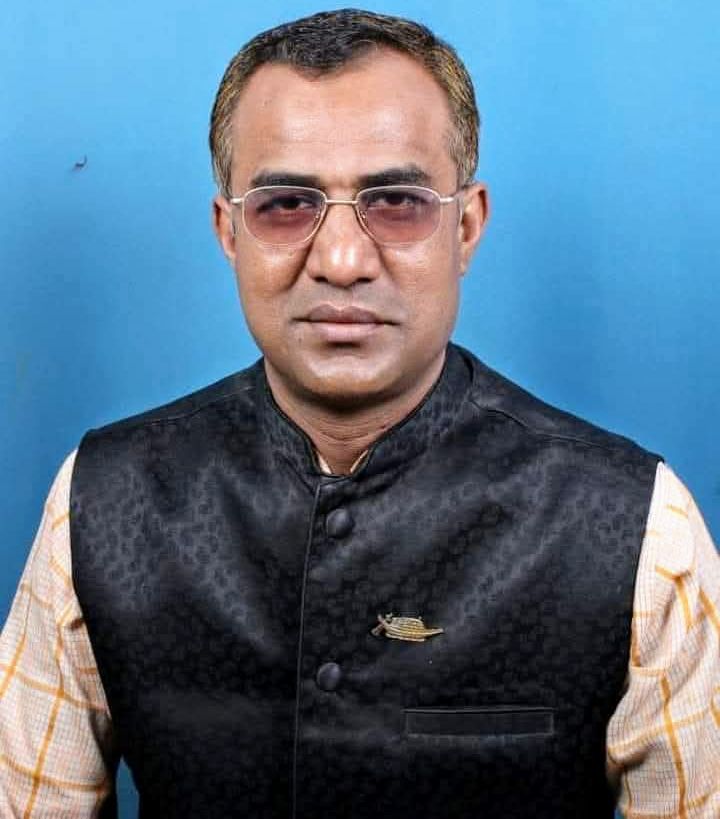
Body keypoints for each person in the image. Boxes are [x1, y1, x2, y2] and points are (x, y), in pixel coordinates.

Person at [1, 8, 718, 818]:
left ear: (467, 226)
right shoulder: (103, 505)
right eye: (285, 205)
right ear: (229, 231)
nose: (342, 261)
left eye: (398, 201)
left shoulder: (637, 529)